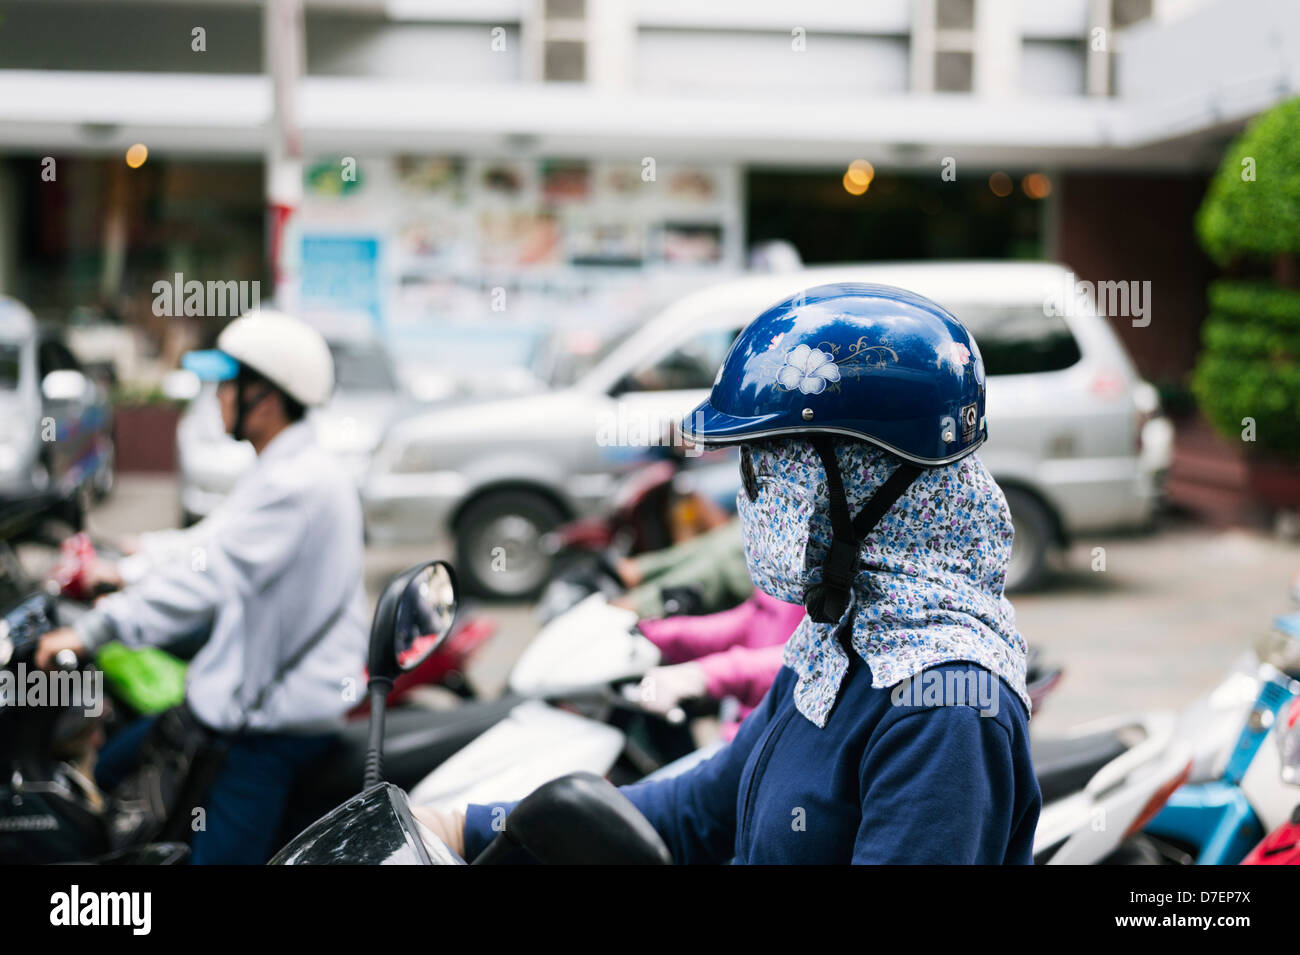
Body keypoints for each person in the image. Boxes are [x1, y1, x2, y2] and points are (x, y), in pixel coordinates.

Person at [418, 283, 1041, 864]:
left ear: (861, 484)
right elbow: (699, 808)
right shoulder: (839, 638)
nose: (748, 497)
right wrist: (464, 827)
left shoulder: (947, 711)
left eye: (767, 471)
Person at [36, 309, 369, 865]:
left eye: (225, 384)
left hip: (271, 731)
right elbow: (215, 541)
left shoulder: (296, 483)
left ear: (263, 396)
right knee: (118, 765)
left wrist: (92, 630)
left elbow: (208, 575)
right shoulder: (284, 467)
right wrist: (134, 555)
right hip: (239, 701)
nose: (216, 399)